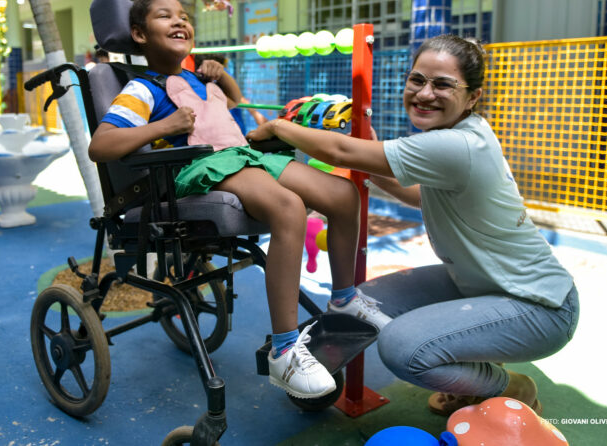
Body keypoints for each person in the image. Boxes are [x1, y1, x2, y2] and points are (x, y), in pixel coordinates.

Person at [246, 34, 579, 415]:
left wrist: (277, 128)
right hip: (483, 283)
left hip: (541, 308)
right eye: (417, 80)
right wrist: (369, 157)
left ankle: (508, 386)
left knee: (402, 348)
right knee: (362, 303)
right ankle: (470, 370)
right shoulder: (457, 135)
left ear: (473, 97)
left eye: (442, 84)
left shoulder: (459, 146)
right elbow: (420, 195)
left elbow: (339, 150)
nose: (424, 94)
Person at [88, 0, 390, 400]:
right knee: (288, 206)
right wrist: (163, 127)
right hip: (201, 167)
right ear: (139, 34)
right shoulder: (142, 89)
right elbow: (100, 146)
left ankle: (342, 298)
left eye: (183, 15)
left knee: (342, 195)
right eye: (165, 17)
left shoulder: (198, 78)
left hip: (243, 155)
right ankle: (284, 353)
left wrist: (222, 76)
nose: (180, 21)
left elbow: (231, 107)